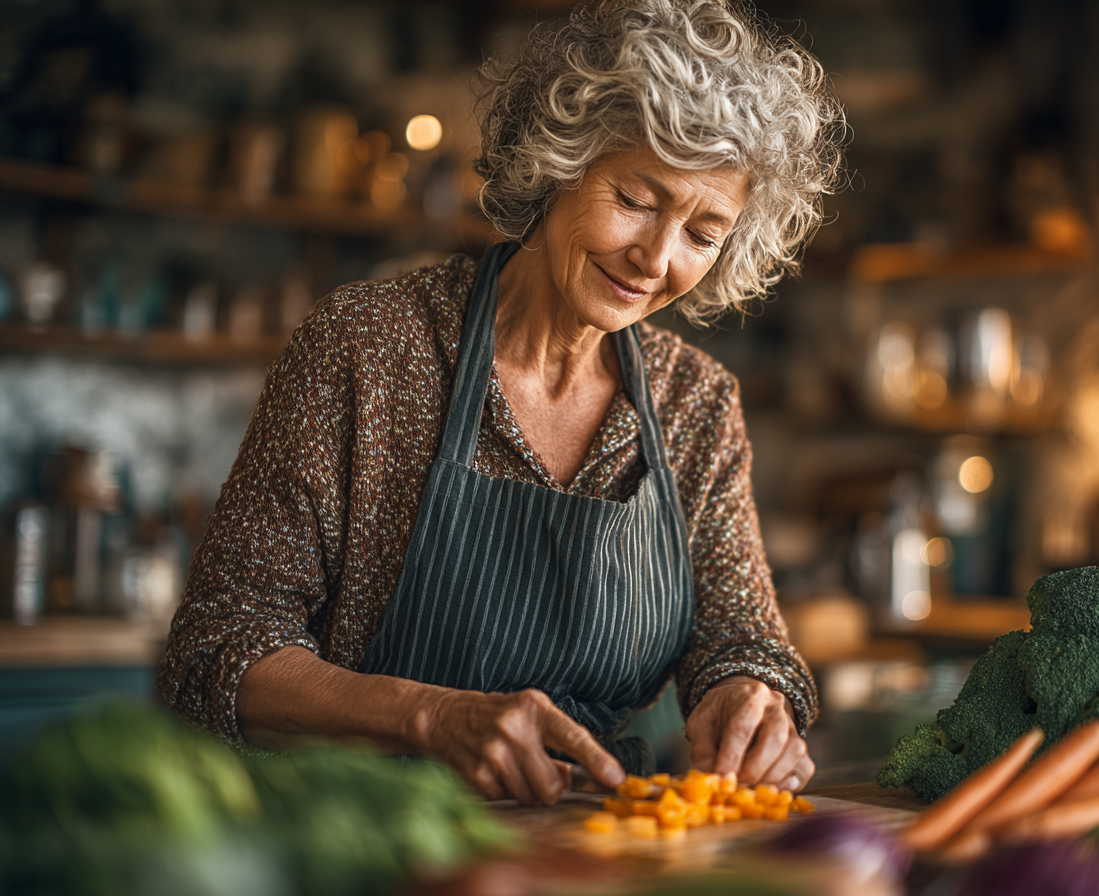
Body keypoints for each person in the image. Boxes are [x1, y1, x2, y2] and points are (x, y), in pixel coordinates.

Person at [159, 0, 845, 806]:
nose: (655, 259)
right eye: (635, 198)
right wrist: (425, 718)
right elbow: (215, 650)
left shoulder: (695, 401)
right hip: (360, 838)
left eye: (703, 233)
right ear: (563, 161)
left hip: (593, 847)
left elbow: (743, 641)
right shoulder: (370, 349)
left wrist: (750, 699)